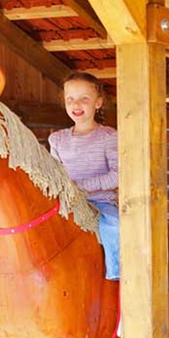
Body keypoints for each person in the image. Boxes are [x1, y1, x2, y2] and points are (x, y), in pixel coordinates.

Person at [49, 72, 120, 280]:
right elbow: (55, 173)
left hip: (101, 203)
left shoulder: (108, 137)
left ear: (98, 103)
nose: (76, 104)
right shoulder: (57, 139)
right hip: (69, 202)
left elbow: (117, 175)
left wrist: (81, 186)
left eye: (84, 99)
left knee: (114, 225)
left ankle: (117, 272)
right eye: (70, 99)